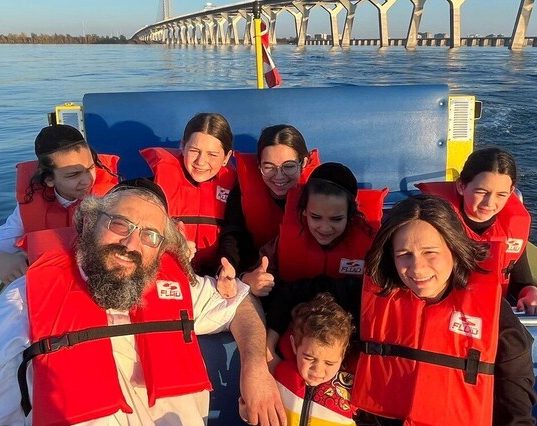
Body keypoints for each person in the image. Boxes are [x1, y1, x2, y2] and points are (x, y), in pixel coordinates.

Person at [0, 180, 285, 426]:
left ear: (161, 251)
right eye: (120, 225)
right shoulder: (23, 303)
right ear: (88, 224)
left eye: (150, 236)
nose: (131, 244)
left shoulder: (178, 293)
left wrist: (256, 366)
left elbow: (240, 302)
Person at [262, 195, 537, 426]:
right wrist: (265, 352)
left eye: (430, 252)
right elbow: (293, 292)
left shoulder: (499, 323)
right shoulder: (373, 297)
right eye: (404, 254)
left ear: (455, 250)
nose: (417, 268)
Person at [0, 125, 119, 285]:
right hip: (53, 284)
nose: (87, 180)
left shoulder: (116, 199)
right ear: (49, 180)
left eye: (90, 168)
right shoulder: (28, 209)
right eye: (73, 175)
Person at [417, 147, 537, 315]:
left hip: (492, 314)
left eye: (501, 195)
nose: (489, 202)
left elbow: (521, 281)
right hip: (443, 313)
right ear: (461, 186)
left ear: (511, 193)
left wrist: (532, 294)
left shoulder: (512, 228)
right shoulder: (426, 222)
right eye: (481, 192)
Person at [254, 292, 358, 426]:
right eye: (309, 358)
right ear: (294, 346)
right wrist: (248, 411)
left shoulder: (354, 385)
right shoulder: (278, 374)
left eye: (330, 363)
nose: (317, 370)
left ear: (343, 353)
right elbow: (265, 350)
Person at [242, 162, 384, 300]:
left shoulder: (373, 248)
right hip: (295, 316)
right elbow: (251, 274)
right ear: (304, 211)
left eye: (336, 219)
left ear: (350, 216)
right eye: (316, 217)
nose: (325, 228)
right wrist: (251, 280)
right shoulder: (282, 243)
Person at [215, 125, 319, 296]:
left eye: (289, 166)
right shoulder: (241, 192)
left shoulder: (321, 194)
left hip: (307, 284)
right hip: (257, 279)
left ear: (304, 162)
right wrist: (236, 274)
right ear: (259, 166)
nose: (278, 176)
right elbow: (233, 238)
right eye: (269, 167)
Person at [140, 113, 236, 277]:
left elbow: (236, 236)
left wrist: (227, 269)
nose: (201, 161)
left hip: (219, 276)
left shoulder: (236, 190)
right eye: (194, 150)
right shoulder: (151, 188)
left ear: (226, 157)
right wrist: (170, 248)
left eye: (212, 154)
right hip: (167, 273)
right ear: (183, 147)